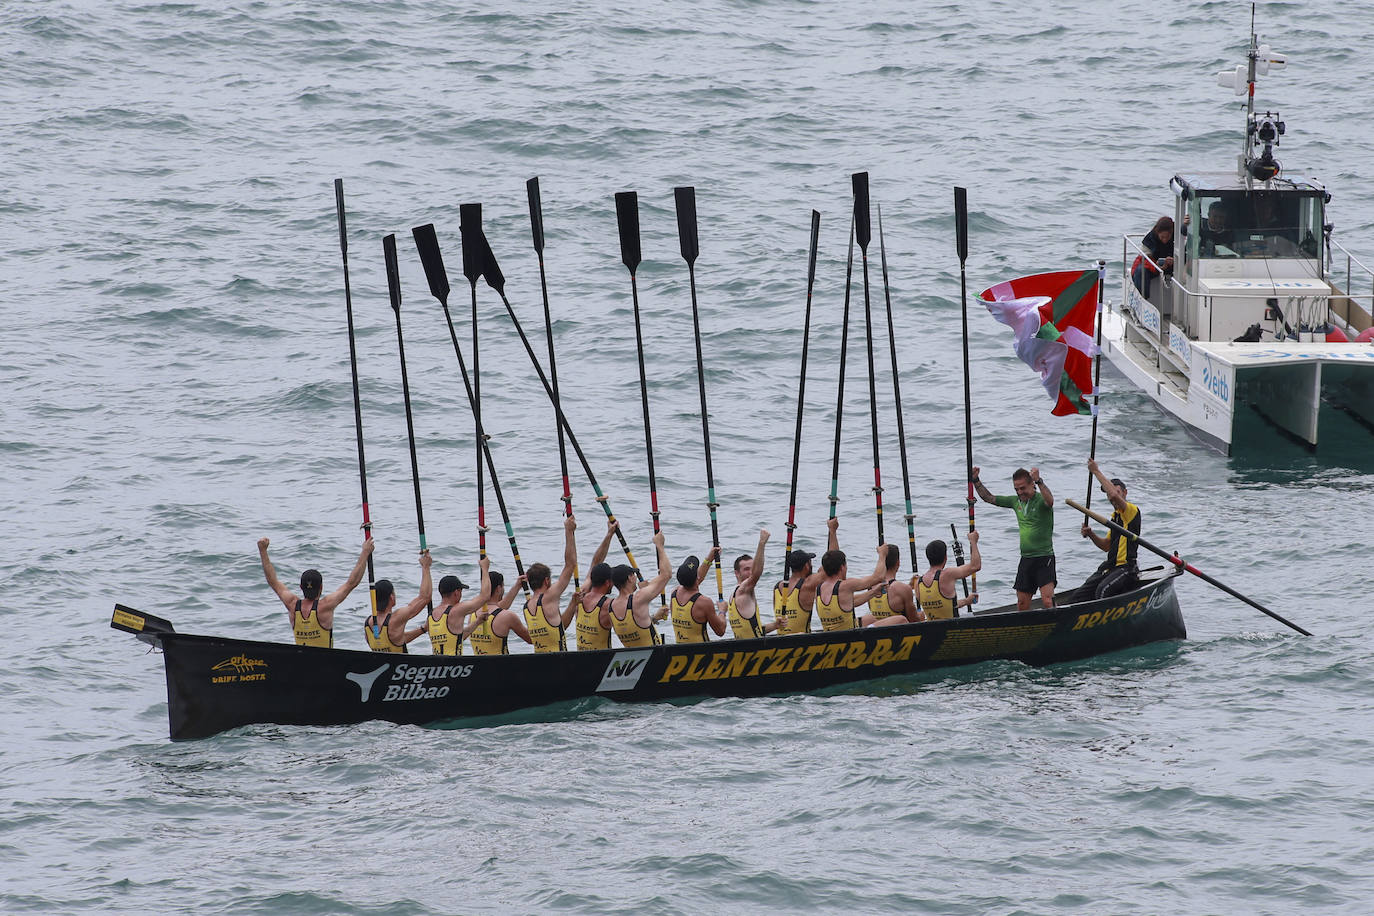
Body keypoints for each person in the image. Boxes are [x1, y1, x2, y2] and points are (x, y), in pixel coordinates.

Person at [257, 536, 374, 648]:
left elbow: (273, 581)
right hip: (325, 664)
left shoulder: (292, 604)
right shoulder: (325, 606)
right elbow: (352, 583)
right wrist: (365, 552)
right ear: (321, 587)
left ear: (301, 587)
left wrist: (263, 551)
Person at [974, 465, 1056, 610]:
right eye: (1016, 489)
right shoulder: (1015, 502)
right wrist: (975, 480)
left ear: (1032, 484)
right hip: (1026, 558)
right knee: (1022, 604)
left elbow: (1050, 501)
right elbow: (989, 498)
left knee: (1048, 601)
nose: (1019, 492)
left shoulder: (1041, 500)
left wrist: (1040, 481)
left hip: (1044, 557)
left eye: (1022, 488)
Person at [1078, 459, 1142, 599]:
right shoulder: (1115, 518)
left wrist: (1095, 471)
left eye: (1117, 492)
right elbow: (1106, 546)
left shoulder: (1132, 511)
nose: (1111, 497)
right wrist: (1091, 534)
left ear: (1125, 493)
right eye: (1107, 494)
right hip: (1110, 567)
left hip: (1126, 568)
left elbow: (1113, 494)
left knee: (1102, 591)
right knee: (1080, 595)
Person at [811, 530, 895, 632]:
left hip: (829, 635)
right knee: (901, 619)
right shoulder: (846, 585)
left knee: (871, 618)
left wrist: (873, 592)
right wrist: (882, 555)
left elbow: (849, 601)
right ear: (842, 567)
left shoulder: (819, 587)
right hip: (848, 638)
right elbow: (878, 577)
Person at [603, 531, 671, 648]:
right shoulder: (638, 598)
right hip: (656, 657)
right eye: (634, 575)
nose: (636, 577)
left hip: (634, 660)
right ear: (630, 578)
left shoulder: (610, 606)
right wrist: (660, 546)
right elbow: (667, 575)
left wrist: (654, 618)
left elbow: (636, 624)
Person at [521, 516, 579, 653]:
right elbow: (570, 565)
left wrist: (573, 604)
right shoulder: (549, 597)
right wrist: (568, 532)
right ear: (546, 581)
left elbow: (560, 627)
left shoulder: (526, 607)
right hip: (559, 661)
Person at [364, 551, 434, 653]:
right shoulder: (395, 619)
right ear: (391, 597)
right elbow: (425, 597)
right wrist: (426, 567)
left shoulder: (368, 623)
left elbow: (398, 639)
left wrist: (423, 629)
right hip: (403, 668)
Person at [570, 518, 620, 651]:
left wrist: (609, 534)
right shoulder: (608, 605)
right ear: (608, 582)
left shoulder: (580, 596)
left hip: (580, 659)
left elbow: (595, 563)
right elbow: (632, 624)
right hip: (602, 662)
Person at [426, 557, 492, 655]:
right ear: (456, 592)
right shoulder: (457, 610)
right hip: (455, 665)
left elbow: (457, 638)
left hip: (437, 666)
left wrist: (477, 622)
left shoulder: (431, 615)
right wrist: (485, 569)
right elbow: (485, 596)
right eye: (461, 591)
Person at [912, 532, 982, 621]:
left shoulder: (918, 582)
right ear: (945, 557)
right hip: (951, 631)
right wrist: (973, 541)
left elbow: (944, 606)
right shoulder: (947, 574)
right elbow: (975, 566)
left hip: (931, 630)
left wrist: (966, 601)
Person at [721, 529, 776, 639]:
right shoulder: (743, 591)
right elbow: (756, 574)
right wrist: (762, 543)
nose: (750, 572)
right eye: (746, 569)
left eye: (752, 568)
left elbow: (756, 630)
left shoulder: (734, 595)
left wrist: (776, 625)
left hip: (748, 647)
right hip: (755, 650)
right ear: (736, 573)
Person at [669, 548, 726, 643]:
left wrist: (709, 559)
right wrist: (722, 611)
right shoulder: (704, 602)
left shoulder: (674, 593)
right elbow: (720, 631)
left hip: (679, 651)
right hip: (701, 653)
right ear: (697, 578)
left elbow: (695, 579)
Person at [468, 570, 531, 655]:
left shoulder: (473, 611)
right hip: (502, 666)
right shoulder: (508, 616)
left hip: (479, 665)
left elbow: (497, 610)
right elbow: (531, 639)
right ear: (498, 589)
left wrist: (517, 586)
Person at [859, 543, 921, 625]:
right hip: (897, 634)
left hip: (878, 631)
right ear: (898, 563)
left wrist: (909, 587)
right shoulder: (903, 589)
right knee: (921, 615)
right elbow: (914, 621)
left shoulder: (871, 585)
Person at [772, 546, 816, 635]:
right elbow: (829, 571)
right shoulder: (806, 586)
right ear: (806, 566)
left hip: (779, 638)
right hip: (802, 641)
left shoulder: (778, 587)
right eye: (810, 563)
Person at [1131, 215, 1174, 299]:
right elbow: (1144, 259)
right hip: (1153, 265)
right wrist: (1156, 266)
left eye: (1167, 237)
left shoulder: (1180, 236)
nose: (1165, 240)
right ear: (1157, 233)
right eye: (1162, 237)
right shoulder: (1149, 238)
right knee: (1140, 271)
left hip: (1174, 267)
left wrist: (1175, 261)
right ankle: (1143, 299)